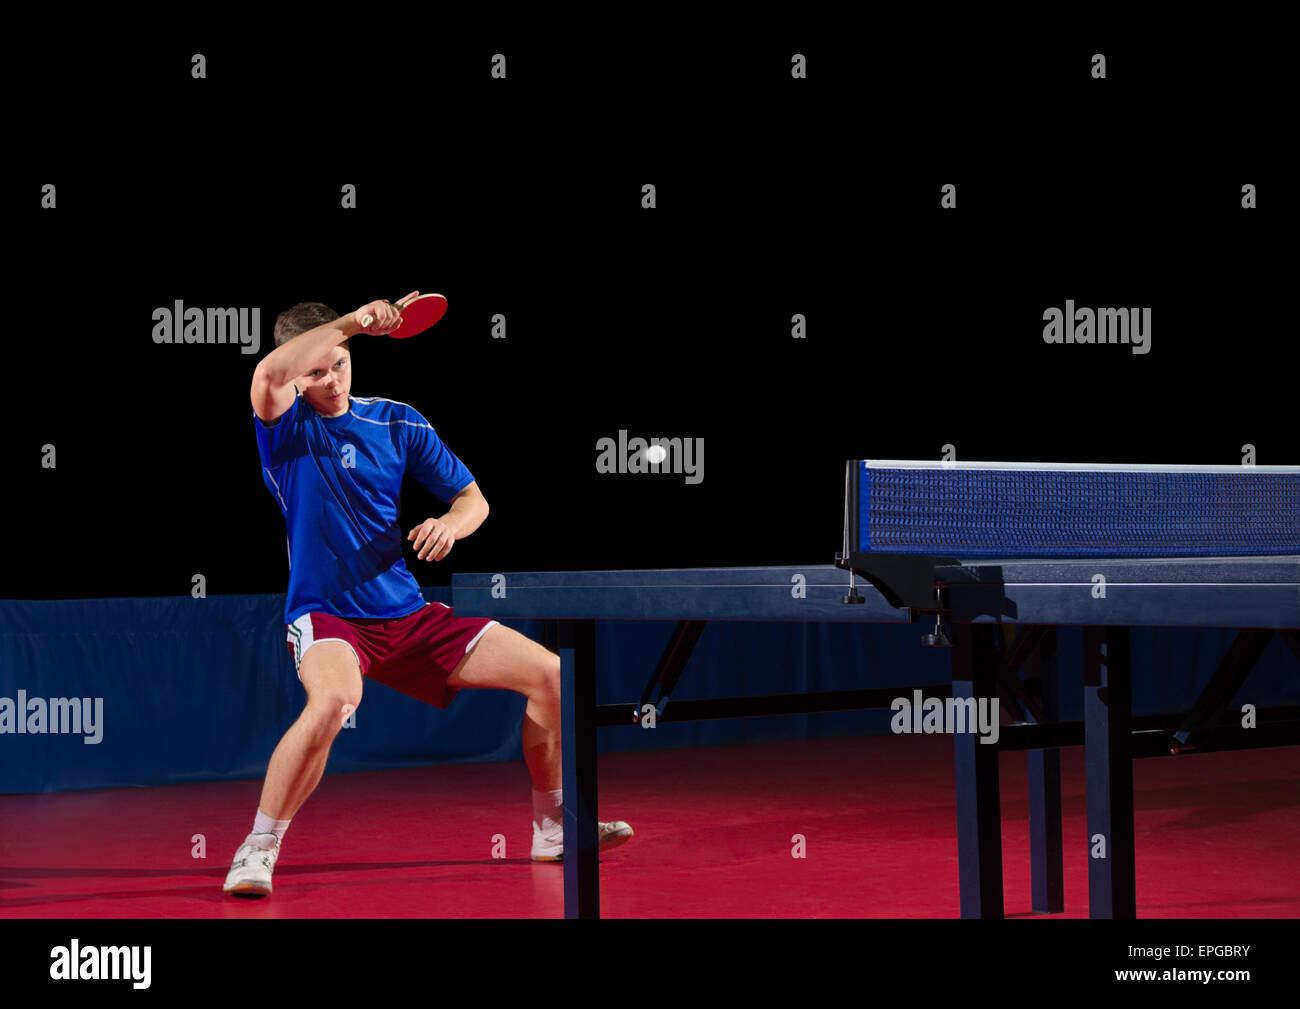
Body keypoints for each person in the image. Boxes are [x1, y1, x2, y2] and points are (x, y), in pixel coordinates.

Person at [223, 294, 632, 897]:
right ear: (298, 375)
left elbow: (474, 500)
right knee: (335, 700)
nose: (332, 380)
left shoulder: (397, 421)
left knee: (552, 675)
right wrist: (354, 322)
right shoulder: (285, 428)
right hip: (328, 615)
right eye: (316, 371)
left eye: (340, 364)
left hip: (408, 614)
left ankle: (553, 829)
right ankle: (258, 846)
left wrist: (451, 525)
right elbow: (267, 373)